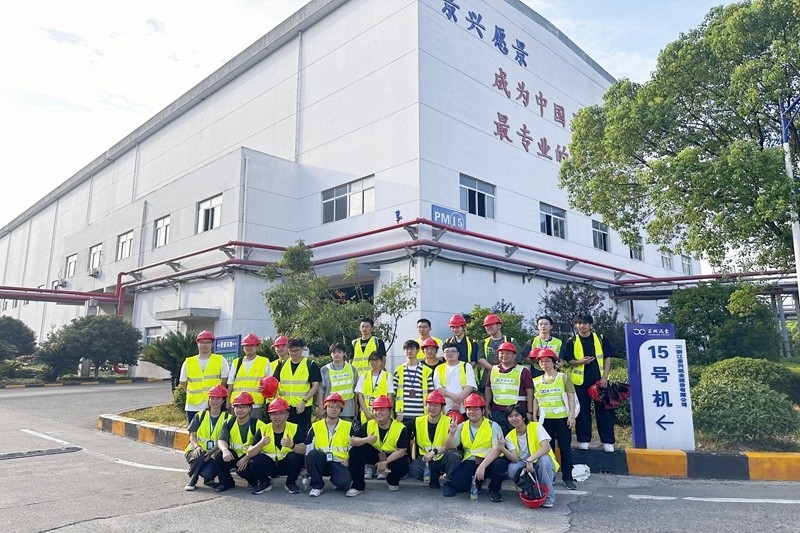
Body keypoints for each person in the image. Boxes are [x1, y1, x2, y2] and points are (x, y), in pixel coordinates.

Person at [561, 313, 616, 452]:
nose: (581, 326)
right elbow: (569, 360)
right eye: (578, 323)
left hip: (600, 381)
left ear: (590, 325)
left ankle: (608, 441)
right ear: (575, 325)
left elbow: (608, 358)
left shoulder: (600, 338)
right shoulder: (572, 341)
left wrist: (605, 377)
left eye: (585, 323)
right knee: (583, 412)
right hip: (580, 382)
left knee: (604, 412)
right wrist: (581, 362)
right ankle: (584, 440)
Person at [441, 393, 508, 502]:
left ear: (483, 411)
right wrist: (451, 434)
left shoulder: (493, 425)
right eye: (469, 409)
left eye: (476, 409)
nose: (472, 412)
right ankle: (477, 482)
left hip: (489, 461)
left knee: (501, 464)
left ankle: (494, 490)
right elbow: (449, 447)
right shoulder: (462, 426)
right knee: (459, 486)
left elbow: (497, 449)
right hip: (470, 460)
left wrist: (482, 466)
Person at [532, 348, 577, 490]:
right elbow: (535, 399)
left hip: (562, 418)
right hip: (545, 420)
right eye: (541, 361)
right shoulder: (536, 381)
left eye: (547, 361)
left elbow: (571, 397)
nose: (544, 364)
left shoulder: (563, 377)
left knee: (565, 449)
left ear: (553, 362)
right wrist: (534, 416)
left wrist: (571, 416)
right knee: (547, 450)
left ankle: (568, 478)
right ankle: (549, 476)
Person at [497, 404, 558, 508]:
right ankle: (531, 490)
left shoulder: (536, 426)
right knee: (512, 468)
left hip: (540, 460)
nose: (514, 419)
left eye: (517, 415)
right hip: (525, 465)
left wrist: (530, 460)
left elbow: (545, 448)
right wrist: (502, 448)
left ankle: (548, 497)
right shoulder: (509, 436)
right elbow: (515, 458)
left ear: (524, 417)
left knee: (544, 461)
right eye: (510, 416)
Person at [348, 395, 410, 496]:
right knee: (355, 451)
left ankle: (392, 479)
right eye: (376, 410)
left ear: (390, 411)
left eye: (382, 410)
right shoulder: (369, 424)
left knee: (403, 464)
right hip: (377, 454)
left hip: (391, 456)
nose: (378, 413)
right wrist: (366, 440)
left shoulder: (400, 428)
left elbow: (401, 450)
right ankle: (357, 486)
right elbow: (352, 441)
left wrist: (385, 461)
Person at [213, 391, 268, 492]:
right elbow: (221, 440)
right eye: (237, 407)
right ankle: (226, 483)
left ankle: (254, 480)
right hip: (235, 455)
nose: (240, 410)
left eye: (243, 407)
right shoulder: (229, 422)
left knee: (245, 469)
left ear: (250, 408)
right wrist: (225, 450)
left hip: (250, 456)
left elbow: (263, 448)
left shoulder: (259, 425)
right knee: (219, 456)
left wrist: (247, 458)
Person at [248, 397, 305, 494]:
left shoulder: (295, 428)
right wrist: (260, 444)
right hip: (269, 465)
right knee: (255, 460)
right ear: (269, 416)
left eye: (281, 413)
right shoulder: (263, 430)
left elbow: (303, 450)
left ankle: (290, 482)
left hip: (286, 465)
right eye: (274, 413)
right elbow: (249, 453)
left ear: (287, 414)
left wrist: (292, 445)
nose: (277, 417)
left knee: (297, 457)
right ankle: (264, 483)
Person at [305, 393, 354, 497]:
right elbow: (308, 451)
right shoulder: (315, 426)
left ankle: (336, 480)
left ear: (341, 410)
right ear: (325, 408)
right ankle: (317, 486)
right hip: (321, 461)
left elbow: (353, 448)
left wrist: (349, 460)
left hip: (339, 462)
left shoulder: (348, 426)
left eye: (337, 407)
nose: (333, 409)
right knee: (313, 454)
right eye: (330, 406)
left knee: (344, 484)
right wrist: (306, 467)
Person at [184, 384, 230, 491]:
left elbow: (224, 440)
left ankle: (202, 475)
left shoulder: (228, 418)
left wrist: (211, 452)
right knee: (201, 454)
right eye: (212, 398)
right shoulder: (200, 415)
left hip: (214, 454)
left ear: (223, 400)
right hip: (196, 452)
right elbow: (193, 436)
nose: (214, 401)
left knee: (207, 473)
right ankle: (193, 480)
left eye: (218, 398)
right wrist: (197, 447)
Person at [180, 330, 230, 424]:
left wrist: (218, 394)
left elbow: (225, 379)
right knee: (193, 431)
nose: (205, 345)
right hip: (193, 405)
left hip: (213, 404)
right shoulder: (188, 362)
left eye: (208, 342)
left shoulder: (220, 360)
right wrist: (190, 392)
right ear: (197, 344)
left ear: (212, 344)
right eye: (202, 342)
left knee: (213, 430)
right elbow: (183, 381)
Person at [484, 341, 534, 434]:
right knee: (499, 438)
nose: (504, 355)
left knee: (518, 438)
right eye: (501, 353)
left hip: (517, 412)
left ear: (514, 355)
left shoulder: (523, 371)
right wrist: (486, 407)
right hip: (497, 412)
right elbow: (488, 389)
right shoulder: (493, 370)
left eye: (508, 353)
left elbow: (530, 392)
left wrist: (530, 412)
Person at [274, 338, 321, 436]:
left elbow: (315, 386)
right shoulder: (282, 364)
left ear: (302, 349)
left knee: (302, 434)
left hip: (302, 407)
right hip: (285, 407)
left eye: (297, 350)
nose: (293, 353)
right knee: (286, 434)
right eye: (291, 351)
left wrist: (304, 401)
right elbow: (274, 383)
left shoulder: (310, 365)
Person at [408, 390, 450, 489]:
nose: (432, 408)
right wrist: (398, 421)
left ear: (442, 408)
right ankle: (433, 477)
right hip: (425, 457)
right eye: (430, 405)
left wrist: (434, 452)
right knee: (414, 470)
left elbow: (450, 446)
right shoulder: (418, 421)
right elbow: (401, 431)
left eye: (436, 405)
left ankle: (449, 482)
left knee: (453, 457)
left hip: (442, 457)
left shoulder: (449, 422)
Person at [227, 333, 271, 421]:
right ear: (243, 347)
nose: (249, 348)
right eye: (246, 345)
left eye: (252, 345)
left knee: (254, 428)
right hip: (236, 404)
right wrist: (227, 401)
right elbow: (230, 384)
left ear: (257, 346)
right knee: (234, 427)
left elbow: (270, 383)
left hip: (255, 404)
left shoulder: (264, 362)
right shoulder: (237, 362)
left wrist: (265, 390)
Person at [393, 339, 435, 434]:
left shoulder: (426, 370)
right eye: (407, 349)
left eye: (412, 349)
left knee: (420, 440)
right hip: (402, 414)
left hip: (421, 413)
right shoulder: (399, 369)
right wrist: (395, 413)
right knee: (404, 440)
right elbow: (393, 393)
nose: (409, 351)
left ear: (418, 350)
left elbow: (431, 393)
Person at [317, 342, 358, 422]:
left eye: (339, 352)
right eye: (334, 352)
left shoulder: (352, 369)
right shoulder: (325, 370)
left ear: (344, 353)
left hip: (348, 410)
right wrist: (321, 408)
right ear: (331, 354)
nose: (336, 354)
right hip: (330, 409)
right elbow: (320, 391)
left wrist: (356, 407)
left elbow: (355, 391)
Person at [476, 314, 518, 391]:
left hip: (507, 378)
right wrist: (495, 370)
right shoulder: (483, 342)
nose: (488, 327)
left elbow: (516, 358)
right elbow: (480, 359)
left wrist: (503, 370)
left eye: (491, 325)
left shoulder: (510, 340)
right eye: (486, 326)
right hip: (487, 378)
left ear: (499, 325)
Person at [433, 342, 477, 415]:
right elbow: (438, 387)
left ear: (458, 354)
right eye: (447, 352)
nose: (450, 354)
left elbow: (470, 385)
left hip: (464, 405)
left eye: (453, 351)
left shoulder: (466, 366)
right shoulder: (439, 368)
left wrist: (459, 400)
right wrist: (453, 397)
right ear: (443, 354)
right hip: (445, 405)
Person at [355, 351, 394, 424]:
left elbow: (390, 396)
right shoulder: (364, 376)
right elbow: (360, 396)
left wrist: (385, 413)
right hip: (366, 415)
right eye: (372, 360)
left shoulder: (387, 376)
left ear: (381, 362)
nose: (374, 362)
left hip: (382, 414)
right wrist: (366, 413)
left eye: (377, 360)